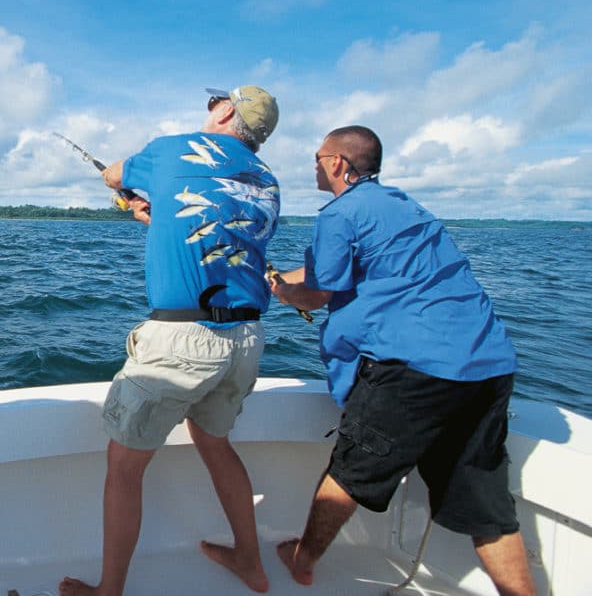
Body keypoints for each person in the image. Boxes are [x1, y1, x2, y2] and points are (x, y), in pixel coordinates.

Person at [269, 125, 535, 595]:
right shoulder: (401, 205)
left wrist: (286, 294)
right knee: (487, 505)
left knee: (350, 471)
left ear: (336, 163)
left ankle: (302, 560)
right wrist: (271, 278)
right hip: (487, 363)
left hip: (417, 368)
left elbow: (315, 293)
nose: (313, 165)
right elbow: (334, 271)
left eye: (316, 157)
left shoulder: (340, 213)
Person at [60, 86, 281, 596]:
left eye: (215, 102)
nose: (209, 108)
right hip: (246, 338)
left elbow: (114, 173)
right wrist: (158, 214)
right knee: (216, 443)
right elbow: (221, 234)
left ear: (226, 110)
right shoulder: (266, 180)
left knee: (124, 467)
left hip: (183, 337)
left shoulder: (173, 148)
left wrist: (123, 189)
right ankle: (252, 561)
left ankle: (109, 589)